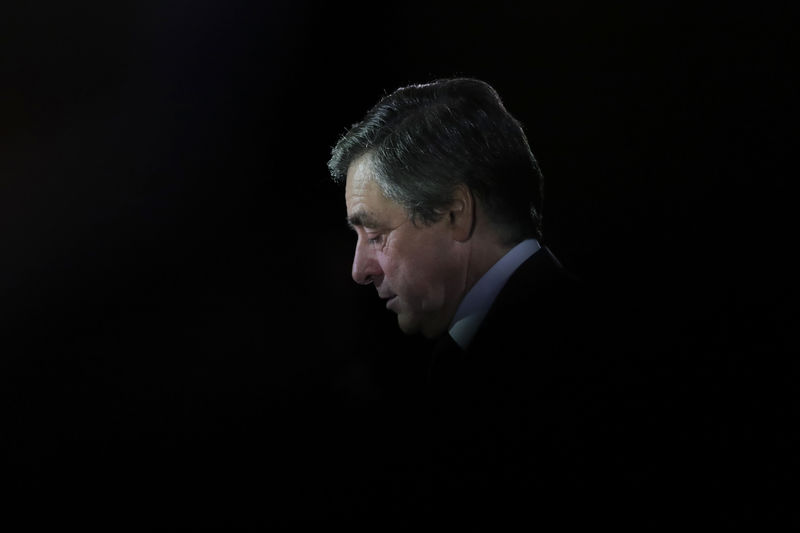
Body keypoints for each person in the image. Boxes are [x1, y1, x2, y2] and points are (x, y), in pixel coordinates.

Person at [327, 78, 636, 525]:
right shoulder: (547, 337)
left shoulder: (544, 375)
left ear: (456, 213)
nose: (360, 270)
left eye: (376, 236)